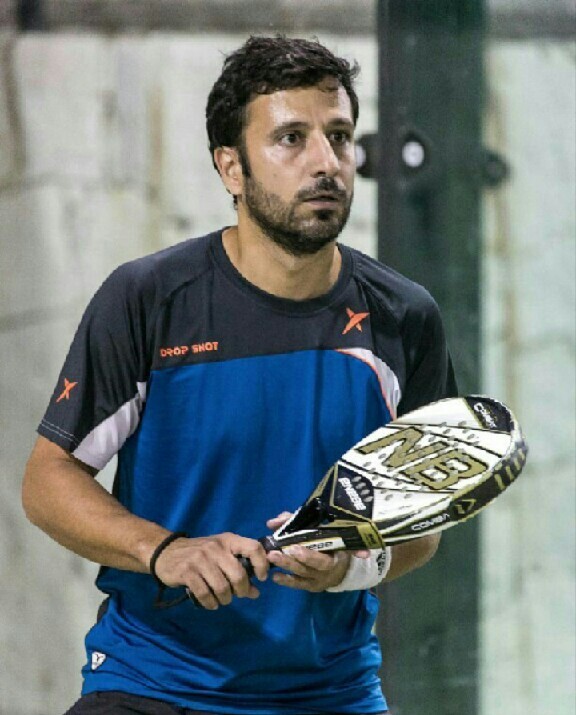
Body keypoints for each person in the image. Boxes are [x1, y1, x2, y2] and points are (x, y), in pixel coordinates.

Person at [22, 35, 457, 715]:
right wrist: (165, 551)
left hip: (333, 693)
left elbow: (421, 526)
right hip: (151, 683)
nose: (326, 162)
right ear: (231, 167)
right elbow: (49, 480)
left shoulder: (405, 317)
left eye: (339, 137)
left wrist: (350, 566)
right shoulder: (147, 300)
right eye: (291, 138)